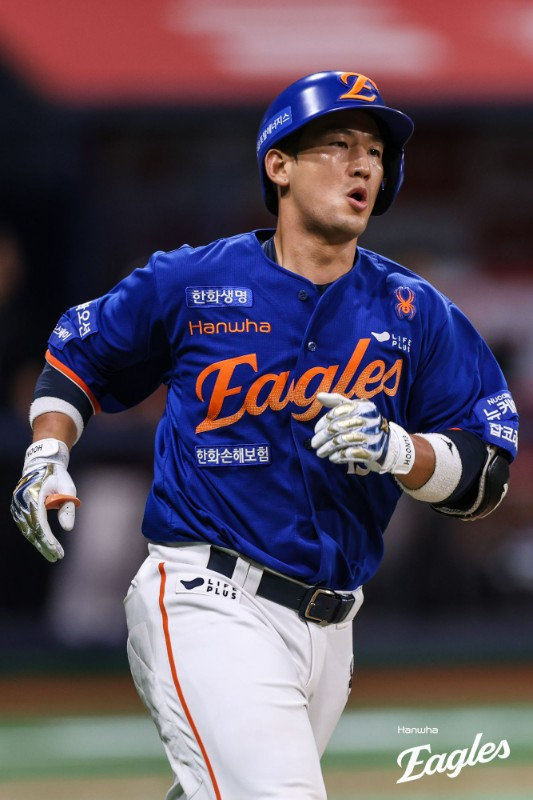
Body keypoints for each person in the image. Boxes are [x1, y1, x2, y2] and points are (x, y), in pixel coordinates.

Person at [11, 71, 518, 799]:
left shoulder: (416, 311)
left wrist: (400, 450)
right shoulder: (191, 281)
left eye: (375, 152)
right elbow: (78, 354)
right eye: (337, 145)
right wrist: (47, 452)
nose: (362, 165)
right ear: (278, 165)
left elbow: (484, 472)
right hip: (207, 593)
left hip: (331, 625)